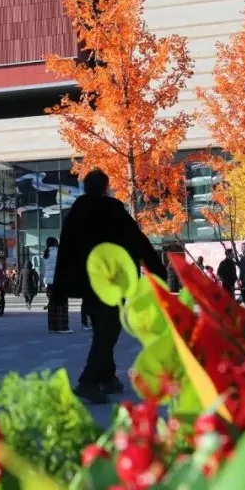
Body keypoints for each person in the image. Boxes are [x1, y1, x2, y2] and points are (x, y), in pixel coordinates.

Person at [52, 169, 167, 405]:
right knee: (107, 331)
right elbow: (137, 239)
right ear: (105, 187)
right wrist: (157, 269)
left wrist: (60, 288)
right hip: (113, 281)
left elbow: (66, 250)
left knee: (103, 330)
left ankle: (107, 377)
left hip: (89, 282)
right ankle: (88, 381)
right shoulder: (112, 209)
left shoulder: (77, 211)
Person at [44, 237, 70, 333]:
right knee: (62, 305)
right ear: (55, 243)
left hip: (49, 283)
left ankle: (52, 327)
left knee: (52, 306)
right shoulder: (59, 253)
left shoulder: (46, 254)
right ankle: (63, 327)